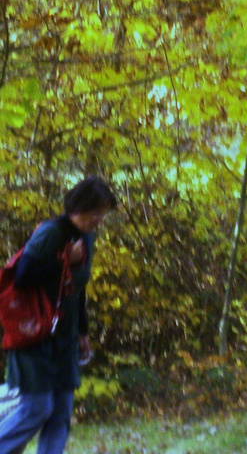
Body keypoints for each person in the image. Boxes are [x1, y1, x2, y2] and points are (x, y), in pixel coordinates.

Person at [0, 176, 117, 454]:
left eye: (103, 213)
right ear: (78, 206)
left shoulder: (87, 238)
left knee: (61, 415)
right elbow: (24, 276)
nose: (99, 219)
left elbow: (77, 289)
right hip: (36, 334)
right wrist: (64, 260)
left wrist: (83, 333)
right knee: (36, 409)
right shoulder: (51, 232)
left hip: (65, 338)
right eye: (95, 212)